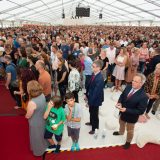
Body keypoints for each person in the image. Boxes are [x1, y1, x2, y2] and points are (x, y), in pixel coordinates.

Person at [113, 73, 148, 149]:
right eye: (133, 80)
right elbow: (122, 96)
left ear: (141, 84)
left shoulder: (143, 96)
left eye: (136, 81)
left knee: (130, 130)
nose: (133, 82)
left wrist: (126, 110)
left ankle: (128, 141)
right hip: (122, 112)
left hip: (131, 117)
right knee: (121, 123)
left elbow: (140, 111)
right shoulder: (128, 87)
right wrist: (119, 102)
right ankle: (121, 132)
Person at [25, 80, 48, 156]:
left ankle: (38, 152)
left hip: (35, 122)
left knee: (36, 137)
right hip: (43, 118)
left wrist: (26, 116)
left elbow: (28, 115)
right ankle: (45, 147)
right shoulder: (42, 95)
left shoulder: (32, 103)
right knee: (43, 134)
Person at [86, 60, 104, 134]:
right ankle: (91, 122)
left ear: (99, 68)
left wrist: (89, 102)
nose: (91, 68)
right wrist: (86, 94)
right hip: (91, 97)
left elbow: (96, 93)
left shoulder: (99, 78)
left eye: (93, 67)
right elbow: (90, 86)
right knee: (91, 111)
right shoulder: (94, 74)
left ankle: (95, 128)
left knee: (94, 114)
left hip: (95, 99)